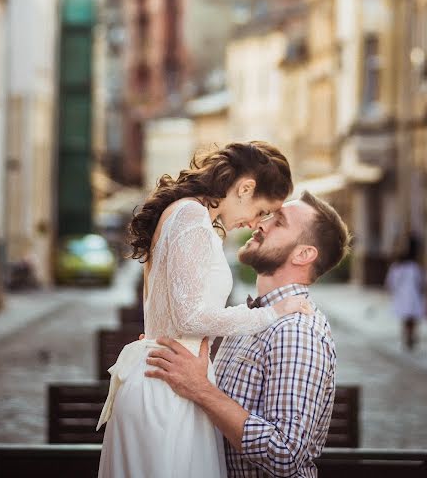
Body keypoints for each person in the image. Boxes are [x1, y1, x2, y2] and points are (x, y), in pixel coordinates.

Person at [97, 141, 312, 478]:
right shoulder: (191, 216)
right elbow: (190, 316)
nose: (256, 223)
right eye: (261, 211)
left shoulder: (193, 217)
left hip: (172, 377)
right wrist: (271, 313)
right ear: (245, 188)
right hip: (166, 387)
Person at [145, 191, 351, 477]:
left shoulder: (297, 331)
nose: (261, 224)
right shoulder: (250, 317)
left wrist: (201, 389)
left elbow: (285, 454)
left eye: (278, 222)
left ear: (304, 254)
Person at [385, 235, 427, 350]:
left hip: (403, 296)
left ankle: (408, 337)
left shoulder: (397, 267)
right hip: (412, 295)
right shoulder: (414, 267)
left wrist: (392, 292)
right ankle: (410, 336)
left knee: (406, 318)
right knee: (411, 318)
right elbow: (421, 282)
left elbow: (390, 283)